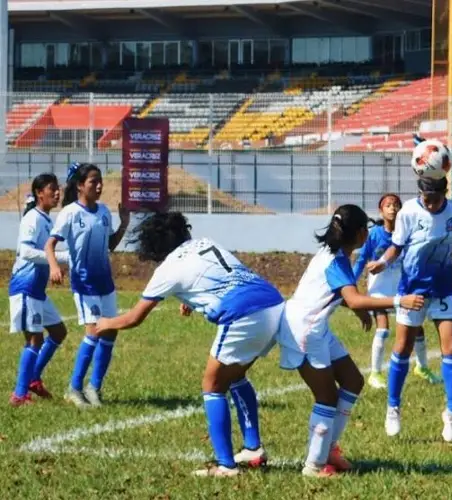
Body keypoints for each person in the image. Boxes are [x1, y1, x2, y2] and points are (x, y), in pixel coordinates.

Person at [95, 212, 284, 477]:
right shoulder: (204, 243)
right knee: (236, 375)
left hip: (242, 313)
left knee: (212, 386)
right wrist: (192, 298)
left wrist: (106, 323)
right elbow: (216, 275)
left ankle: (225, 465)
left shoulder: (168, 269)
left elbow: (134, 317)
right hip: (273, 304)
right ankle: (253, 449)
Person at [278, 204, 424, 478]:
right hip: (304, 330)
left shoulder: (332, 253)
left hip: (315, 325)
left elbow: (334, 295)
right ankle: (314, 465)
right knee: (326, 397)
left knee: (353, 381)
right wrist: (398, 301)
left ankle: (330, 449)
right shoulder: (335, 260)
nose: (368, 232)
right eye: (366, 228)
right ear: (359, 233)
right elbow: (353, 297)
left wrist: (357, 309)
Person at [368, 176, 452, 442]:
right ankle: (393, 407)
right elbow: (396, 246)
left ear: (444, 193)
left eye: (436, 200)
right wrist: (382, 263)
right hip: (413, 289)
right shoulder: (408, 212)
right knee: (402, 348)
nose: (431, 205)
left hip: (444, 288)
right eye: (426, 199)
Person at [45, 162, 130, 408]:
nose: (99, 185)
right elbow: (50, 244)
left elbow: (109, 246)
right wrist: (53, 266)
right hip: (84, 284)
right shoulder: (70, 213)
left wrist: (123, 223)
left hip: (106, 283)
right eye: (94, 181)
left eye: (100, 180)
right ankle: (74, 387)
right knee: (93, 333)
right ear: (80, 186)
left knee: (111, 331)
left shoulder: (104, 212)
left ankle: (94, 387)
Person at [352, 193, 441, 390]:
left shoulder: (406, 233)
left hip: (402, 289)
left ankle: (422, 367)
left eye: (396, 205)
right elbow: (361, 260)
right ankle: (375, 373)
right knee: (383, 329)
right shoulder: (374, 234)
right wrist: (351, 283)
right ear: (381, 211)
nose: (393, 209)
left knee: (417, 328)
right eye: (388, 205)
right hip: (379, 291)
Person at [8, 175, 69, 406]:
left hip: (37, 290)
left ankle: (33, 379)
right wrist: (60, 259)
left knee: (58, 332)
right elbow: (25, 252)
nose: (57, 193)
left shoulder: (46, 220)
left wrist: (61, 260)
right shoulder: (32, 218)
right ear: (38, 193)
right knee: (34, 339)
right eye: (52, 189)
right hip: (25, 287)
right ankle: (19, 395)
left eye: (58, 189)